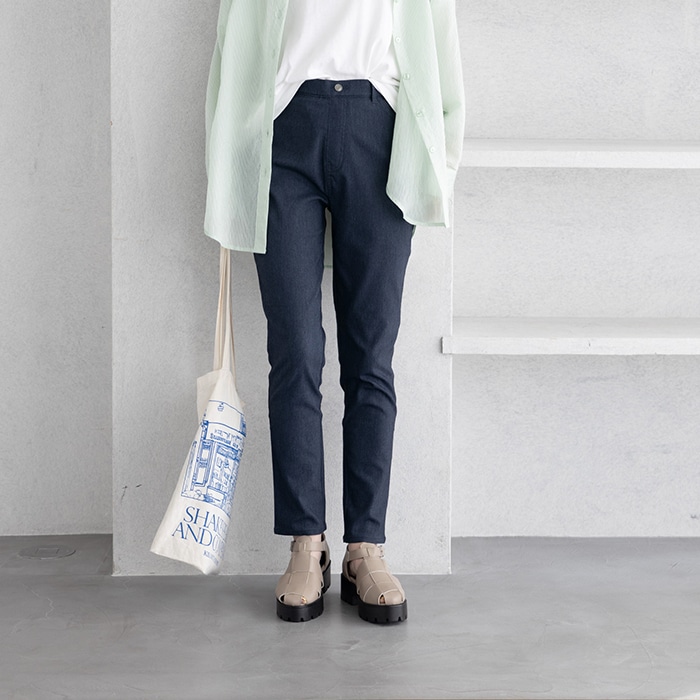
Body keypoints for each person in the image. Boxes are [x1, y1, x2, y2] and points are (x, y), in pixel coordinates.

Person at [203, 0, 465, 624]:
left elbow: (443, 53)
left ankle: (365, 549)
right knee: (294, 352)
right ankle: (306, 544)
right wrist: (226, 161)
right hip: (281, 131)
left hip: (381, 130)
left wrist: (441, 160)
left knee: (371, 357)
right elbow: (228, 51)